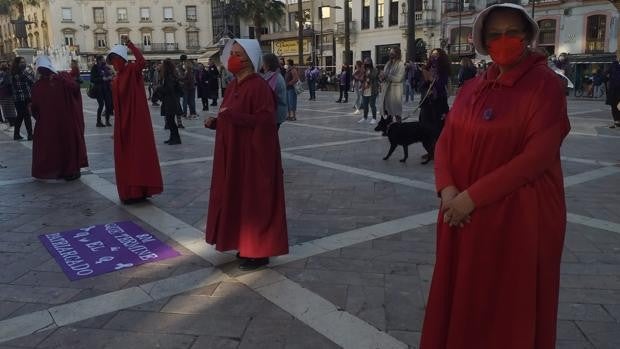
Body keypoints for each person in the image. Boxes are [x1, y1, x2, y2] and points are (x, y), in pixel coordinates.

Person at [420, 4, 571, 349]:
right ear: (483, 42)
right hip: (460, 214)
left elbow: (536, 157)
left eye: (512, 33)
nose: (504, 40)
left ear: (528, 37)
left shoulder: (545, 86)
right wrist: (447, 191)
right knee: (463, 299)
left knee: (507, 307)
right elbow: (445, 140)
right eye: (495, 34)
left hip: (518, 220)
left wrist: (470, 199)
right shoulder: (472, 88)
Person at [204, 39, 288, 270]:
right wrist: (216, 122)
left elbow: (265, 122)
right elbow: (228, 114)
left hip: (253, 156)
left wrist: (233, 118)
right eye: (231, 53)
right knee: (239, 199)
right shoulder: (233, 85)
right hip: (234, 155)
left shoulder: (259, 87)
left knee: (254, 201)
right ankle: (245, 244)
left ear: (249, 59)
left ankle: (260, 252)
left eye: (237, 54)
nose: (232, 57)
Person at [107, 38, 163, 204]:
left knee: (138, 155)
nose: (114, 63)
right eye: (111, 60)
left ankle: (141, 189)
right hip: (122, 122)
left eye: (116, 59)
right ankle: (130, 191)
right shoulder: (115, 79)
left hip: (137, 120)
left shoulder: (132, 70)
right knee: (126, 157)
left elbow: (142, 61)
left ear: (123, 59)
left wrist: (130, 45)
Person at [30, 56, 88, 181]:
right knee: (65, 146)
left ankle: (67, 170)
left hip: (55, 122)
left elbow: (34, 109)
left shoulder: (55, 80)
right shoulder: (57, 80)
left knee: (60, 146)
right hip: (61, 121)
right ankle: (68, 170)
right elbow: (75, 89)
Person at [419, 48, 451, 164]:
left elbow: (442, 84)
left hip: (439, 102)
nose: (434, 57)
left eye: (436, 55)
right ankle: (431, 150)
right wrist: (426, 80)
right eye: (432, 55)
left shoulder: (443, 70)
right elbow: (421, 85)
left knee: (438, 127)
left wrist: (432, 79)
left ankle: (439, 152)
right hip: (427, 101)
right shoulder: (427, 68)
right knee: (425, 125)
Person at [158, 59, 182, 145]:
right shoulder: (169, 75)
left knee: (170, 121)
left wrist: (159, 88)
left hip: (170, 101)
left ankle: (176, 139)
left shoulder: (169, 76)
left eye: (163, 64)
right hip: (170, 100)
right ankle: (173, 137)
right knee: (170, 120)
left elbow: (169, 89)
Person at [262, 53, 288, 129]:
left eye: (263, 63)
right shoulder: (273, 75)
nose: (262, 65)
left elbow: (268, 96)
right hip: (276, 113)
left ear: (268, 64)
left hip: (275, 114)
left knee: (270, 138)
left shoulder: (274, 78)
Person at [10, 56, 34, 141]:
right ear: (17, 64)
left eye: (24, 62)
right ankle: (30, 135)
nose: (23, 64)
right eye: (21, 62)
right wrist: (31, 71)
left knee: (20, 116)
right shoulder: (22, 73)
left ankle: (16, 134)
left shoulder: (13, 73)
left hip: (18, 98)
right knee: (26, 116)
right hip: (23, 98)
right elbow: (32, 80)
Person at [380, 47, 405, 122]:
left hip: (395, 92)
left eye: (392, 52)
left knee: (397, 113)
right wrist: (381, 77)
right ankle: (389, 129)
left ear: (397, 54)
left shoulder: (401, 64)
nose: (390, 54)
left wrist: (387, 76)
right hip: (386, 91)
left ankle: (399, 129)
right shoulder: (388, 63)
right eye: (390, 52)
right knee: (388, 113)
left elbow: (399, 78)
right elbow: (384, 75)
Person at [89, 55, 113, 127]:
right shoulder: (94, 68)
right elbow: (92, 79)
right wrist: (102, 79)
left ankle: (107, 121)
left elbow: (109, 75)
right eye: (103, 60)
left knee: (108, 104)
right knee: (101, 105)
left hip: (106, 89)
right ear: (99, 60)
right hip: (98, 89)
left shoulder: (105, 67)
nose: (104, 61)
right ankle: (98, 121)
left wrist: (110, 76)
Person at [358, 57, 380, 124]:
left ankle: (374, 118)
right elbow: (360, 79)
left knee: (372, 105)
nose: (366, 64)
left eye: (367, 62)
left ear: (370, 63)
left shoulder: (375, 70)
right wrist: (362, 73)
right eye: (365, 62)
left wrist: (367, 73)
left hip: (372, 90)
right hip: (365, 90)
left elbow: (373, 76)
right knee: (365, 105)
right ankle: (365, 117)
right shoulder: (364, 70)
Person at [0, 62, 16, 128]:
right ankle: (11, 122)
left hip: (6, 94)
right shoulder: (6, 74)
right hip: (6, 94)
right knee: (9, 109)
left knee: (7, 109)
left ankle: (11, 122)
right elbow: (9, 83)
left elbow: (8, 83)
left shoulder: (6, 74)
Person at [606, 58, 620, 128]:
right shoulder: (613, 65)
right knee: (615, 106)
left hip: (616, 90)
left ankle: (617, 122)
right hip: (614, 90)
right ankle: (617, 122)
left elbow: (606, 74)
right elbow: (606, 74)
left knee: (617, 106)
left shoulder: (613, 65)